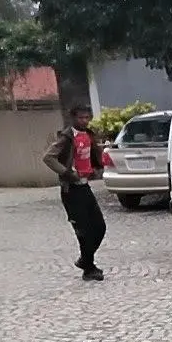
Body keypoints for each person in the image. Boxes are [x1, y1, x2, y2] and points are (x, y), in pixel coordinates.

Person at [43, 104, 107, 280]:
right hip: (71, 190)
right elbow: (48, 157)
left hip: (85, 186)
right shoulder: (66, 137)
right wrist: (66, 173)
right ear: (73, 118)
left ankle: (85, 260)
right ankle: (89, 268)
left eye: (87, 117)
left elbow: (94, 156)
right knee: (83, 230)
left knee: (100, 227)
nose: (84, 121)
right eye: (81, 117)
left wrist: (97, 167)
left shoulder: (89, 135)